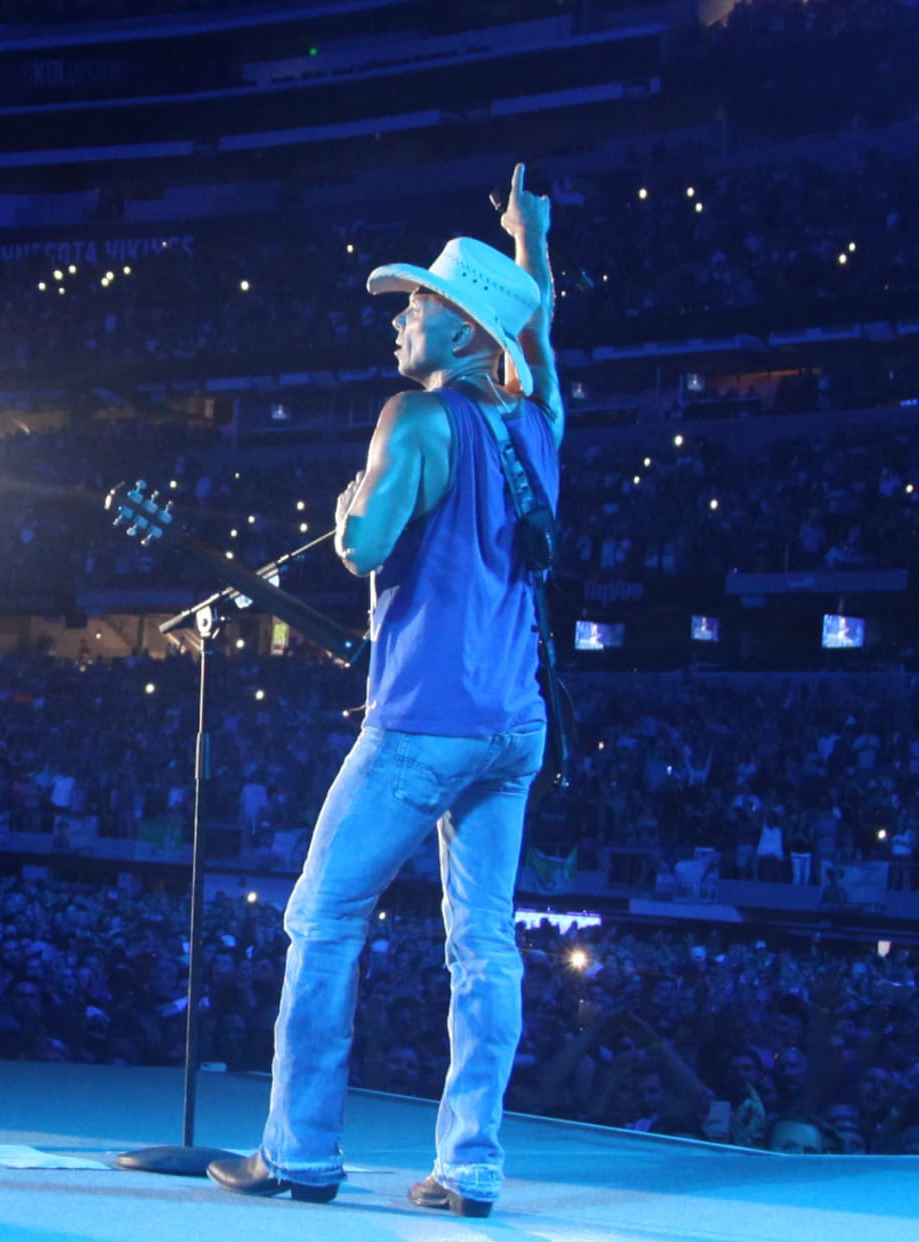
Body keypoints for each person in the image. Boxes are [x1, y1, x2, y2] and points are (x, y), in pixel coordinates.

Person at [208, 164, 562, 1220]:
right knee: (483, 941)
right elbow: (540, 343)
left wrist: (354, 498)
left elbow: (364, 548)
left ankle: (301, 1151)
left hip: (420, 720)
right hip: (514, 722)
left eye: (416, 306)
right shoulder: (538, 421)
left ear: (459, 332)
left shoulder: (414, 418)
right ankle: (473, 1163)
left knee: (322, 917)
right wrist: (530, 242)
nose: (400, 321)